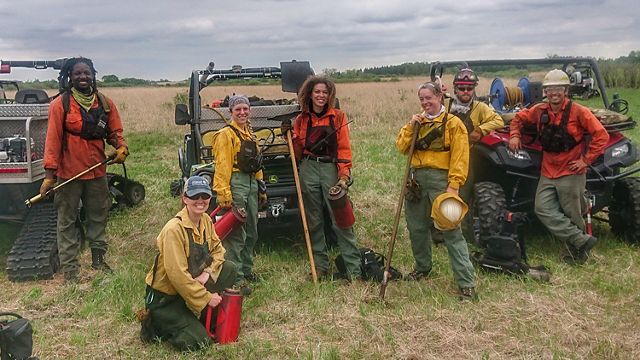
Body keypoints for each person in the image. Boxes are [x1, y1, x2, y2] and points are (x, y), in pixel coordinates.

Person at [41, 57, 128, 283]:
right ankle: (70, 270)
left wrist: (121, 147)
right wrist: (49, 176)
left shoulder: (105, 104)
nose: (83, 77)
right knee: (67, 220)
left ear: (93, 75)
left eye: (86, 73)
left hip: (97, 172)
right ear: (70, 76)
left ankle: (98, 260)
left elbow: (115, 132)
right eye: (78, 73)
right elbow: (52, 141)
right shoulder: (60, 104)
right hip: (69, 174)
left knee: (99, 215)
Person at [508, 69, 609, 264]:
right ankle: (581, 240)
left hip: (571, 170)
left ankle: (578, 253)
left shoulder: (579, 111)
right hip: (548, 170)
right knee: (542, 208)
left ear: (566, 90)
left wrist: (585, 161)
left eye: (559, 89)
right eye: (550, 89)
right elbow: (519, 118)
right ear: (545, 91)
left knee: (573, 212)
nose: (554, 93)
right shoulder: (539, 110)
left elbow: (601, 135)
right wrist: (514, 135)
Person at [396, 81, 476, 300]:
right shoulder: (417, 122)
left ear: (440, 96)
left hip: (443, 181)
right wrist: (411, 126)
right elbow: (401, 147)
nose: (425, 102)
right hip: (417, 180)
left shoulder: (453, 123)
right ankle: (422, 267)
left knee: (451, 230)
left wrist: (454, 186)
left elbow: (460, 157)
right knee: (416, 228)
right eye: (421, 99)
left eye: (428, 98)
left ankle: (466, 283)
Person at [142, 176, 237, 351]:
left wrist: (208, 272)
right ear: (185, 198)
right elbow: (178, 277)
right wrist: (207, 298)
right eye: (194, 196)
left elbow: (219, 251)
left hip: (188, 287)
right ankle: (156, 322)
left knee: (230, 269)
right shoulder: (173, 230)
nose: (200, 201)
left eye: (204, 195)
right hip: (166, 298)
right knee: (199, 342)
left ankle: (198, 317)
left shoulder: (206, 220)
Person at [281, 75, 362, 281]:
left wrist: (344, 175)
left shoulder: (338, 117)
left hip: (330, 170)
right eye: (317, 92)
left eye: (325, 93)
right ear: (310, 93)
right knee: (313, 220)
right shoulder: (302, 119)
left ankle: (354, 270)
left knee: (341, 219)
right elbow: (298, 153)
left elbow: (344, 148)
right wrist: (289, 136)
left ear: (330, 95)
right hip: (308, 168)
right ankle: (320, 268)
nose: (321, 96)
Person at [441, 68, 505, 239]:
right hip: (445, 155)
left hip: (466, 157)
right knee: (440, 191)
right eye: (461, 88)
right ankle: (439, 229)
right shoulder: (446, 105)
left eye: (469, 88)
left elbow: (498, 120)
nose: (465, 92)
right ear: (455, 89)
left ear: (474, 89)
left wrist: (480, 130)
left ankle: (461, 232)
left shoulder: (480, 107)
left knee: (462, 193)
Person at [212, 95, 266, 294]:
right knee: (237, 235)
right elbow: (222, 166)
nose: (242, 112)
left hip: (251, 183)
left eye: (245, 109)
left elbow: (257, 161)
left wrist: (261, 186)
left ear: (250, 110)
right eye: (238, 110)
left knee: (252, 231)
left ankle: (247, 270)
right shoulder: (225, 135)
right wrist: (224, 193)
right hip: (236, 183)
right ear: (231, 112)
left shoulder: (250, 134)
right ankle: (235, 279)